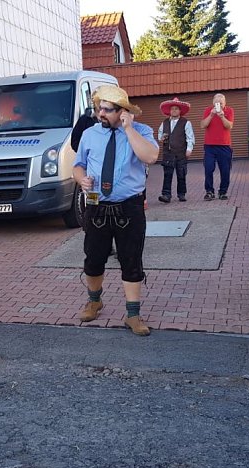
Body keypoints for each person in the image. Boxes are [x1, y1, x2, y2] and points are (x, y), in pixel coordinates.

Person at [72, 85, 159, 336]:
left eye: (107, 110)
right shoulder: (90, 135)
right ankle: (94, 300)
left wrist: (128, 128)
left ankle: (132, 315)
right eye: (99, 108)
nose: (101, 113)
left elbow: (151, 156)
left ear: (123, 112)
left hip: (129, 207)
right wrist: (81, 179)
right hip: (97, 206)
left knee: (131, 260)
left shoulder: (141, 131)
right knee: (93, 259)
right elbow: (78, 166)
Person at [157, 97, 195, 202]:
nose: (174, 110)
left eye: (176, 109)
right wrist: (161, 138)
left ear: (180, 111)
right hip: (168, 153)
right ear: (169, 111)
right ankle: (166, 195)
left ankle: (181, 194)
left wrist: (189, 149)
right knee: (167, 175)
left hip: (181, 153)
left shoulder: (186, 122)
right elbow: (160, 135)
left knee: (181, 174)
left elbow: (190, 137)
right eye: (172, 109)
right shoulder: (164, 122)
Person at [199, 93, 234, 200]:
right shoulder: (208, 110)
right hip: (209, 146)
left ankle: (223, 192)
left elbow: (229, 126)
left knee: (225, 170)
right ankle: (209, 191)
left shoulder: (229, 111)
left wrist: (222, 116)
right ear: (213, 103)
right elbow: (202, 125)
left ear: (225, 103)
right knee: (208, 169)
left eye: (221, 103)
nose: (218, 105)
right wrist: (211, 115)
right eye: (216, 103)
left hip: (224, 146)